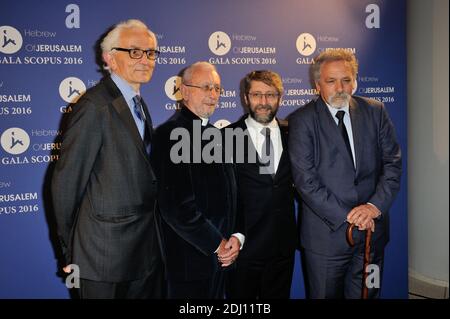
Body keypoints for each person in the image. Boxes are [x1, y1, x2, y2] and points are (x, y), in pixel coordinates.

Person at [51, 19, 165, 299]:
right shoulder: (94, 106)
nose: (146, 60)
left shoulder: (138, 103)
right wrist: (69, 249)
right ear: (109, 58)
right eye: (135, 52)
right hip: (102, 256)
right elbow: (66, 183)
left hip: (144, 250)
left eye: (150, 53)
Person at [288, 49, 402, 299]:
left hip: (373, 235)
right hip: (326, 241)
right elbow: (305, 182)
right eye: (331, 81)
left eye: (346, 80)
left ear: (355, 81)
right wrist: (351, 217)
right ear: (318, 85)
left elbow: (392, 164)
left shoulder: (375, 111)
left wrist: (373, 207)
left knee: (369, 294)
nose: (340, 87)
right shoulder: (301, 121)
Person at [151, 61, 244, 299]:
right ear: (184, 91)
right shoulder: (169, 134)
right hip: (189, 264)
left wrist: (236, 236)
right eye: (206, 87)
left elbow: (233, 193)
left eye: (217, 88)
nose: (213, 95)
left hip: (221, 261)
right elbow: (175, 206)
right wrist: (217, 244)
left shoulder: (217, 135)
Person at [226, 70, 297, 299]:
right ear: (246, 98)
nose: (264, 102)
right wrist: (235, 234)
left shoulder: (295, 134)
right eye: (257, 95)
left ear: (280, 98)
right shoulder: (225, 138)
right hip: (244, 247)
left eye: (270, 95)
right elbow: (223, 196)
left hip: (283, 248)